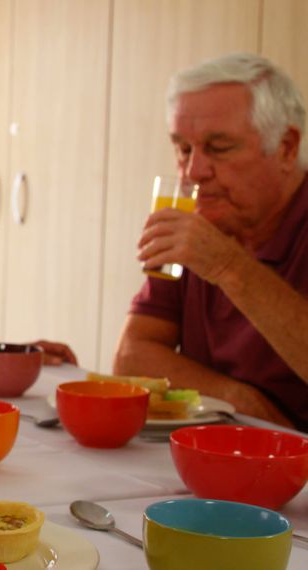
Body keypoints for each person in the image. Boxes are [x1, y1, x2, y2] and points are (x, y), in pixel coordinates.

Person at [115, 53, 308, 431]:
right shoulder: (199, 223)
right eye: (183, 149)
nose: (194, 172)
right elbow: (131, 357)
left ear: (286, 147)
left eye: (218, 148)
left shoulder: (206, 240)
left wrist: (227, 266)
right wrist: (237, 400)